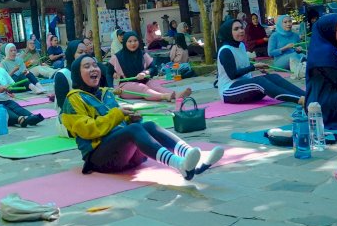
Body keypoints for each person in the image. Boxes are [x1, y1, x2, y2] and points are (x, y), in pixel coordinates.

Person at [61, 55, 224, 177]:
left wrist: (130, 118)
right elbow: (87, 130)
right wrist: (118, 115)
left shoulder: (106, 93)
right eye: (87, 66)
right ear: (77, 74)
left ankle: (194, 157)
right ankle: (180, 165)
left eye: (95, 65)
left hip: (122, 154)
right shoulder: (73, 99)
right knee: (133, 130)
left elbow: (119, 124)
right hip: (99, 158)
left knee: (148, 126)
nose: (93, 69)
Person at [216, 19, 305, 105]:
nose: (241, 31)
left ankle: (306, 95)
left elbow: (242, 65)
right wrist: (254, 67)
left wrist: (257, 66)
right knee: (259, 81)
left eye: (241, 28)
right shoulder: (226, 51)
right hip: (229, 91)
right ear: (228, 32)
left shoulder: (241, 45)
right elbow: (232, 75)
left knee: (274, 77)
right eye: (236, 29)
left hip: (246, 86)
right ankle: (300, 100)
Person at [109, 32, 189, 102]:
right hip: (125, 86)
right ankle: (165, 96)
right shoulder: (117, 57)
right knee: (143, 88)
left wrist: (145, 73)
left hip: (144, 80)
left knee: (156, 86)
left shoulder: (142, 54)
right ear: (125, 43)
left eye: (135, 41)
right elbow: (108, 72)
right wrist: (111, 88)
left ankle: (175, 94)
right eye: (129, 41)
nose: (133, 43)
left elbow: (153, 69)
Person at [54, 40, 88, 110]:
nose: (84, 55)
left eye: (86, 52)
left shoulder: (89, 71)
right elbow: (63, 104)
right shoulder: (62, 75)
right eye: (80, 52)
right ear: (71, 54)